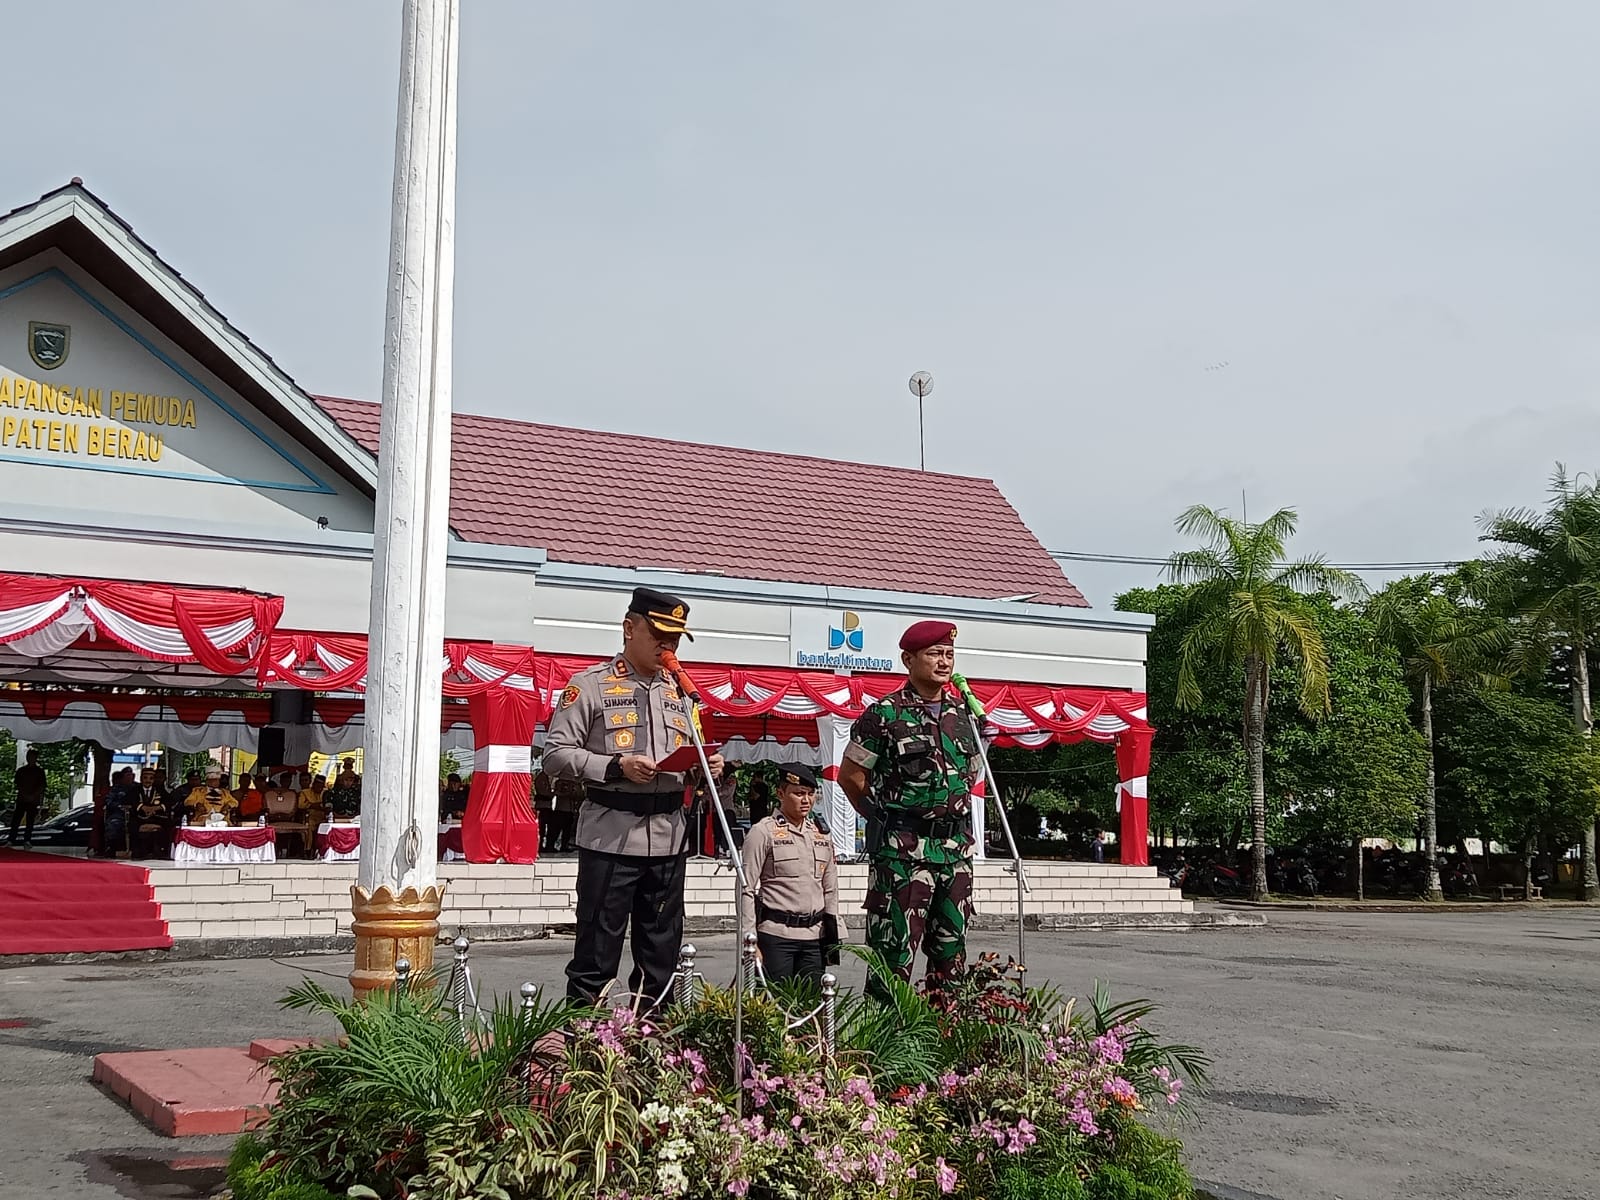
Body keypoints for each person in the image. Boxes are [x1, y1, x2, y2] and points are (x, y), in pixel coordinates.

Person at [543, 586, 727, 1009]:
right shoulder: (589, 686)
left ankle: (654, 1037)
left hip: (669, 838)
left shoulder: (680, 691)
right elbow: (554, 755)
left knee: (661, 951)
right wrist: (615, 766)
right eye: (660, 634)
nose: (669, 645)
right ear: (629, 628)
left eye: (677, 638)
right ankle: (587, 1040)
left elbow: (692, 749)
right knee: (597, 949)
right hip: (611, 835)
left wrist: (705, 767)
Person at [839, 620, 980, 995]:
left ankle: (942, 1044)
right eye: (934, 654)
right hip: (902, 855)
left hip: (954, 853)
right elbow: (851, 776)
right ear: (908, 658)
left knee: (951, 963)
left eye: (949, 654)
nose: (944, 661)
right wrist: (883, 817)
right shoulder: (883, 715)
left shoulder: (964, 715)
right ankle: (886, 1048)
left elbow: (972, 775)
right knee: (892, 960)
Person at [738, 764, 840, 986]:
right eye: (799, 793)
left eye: (811, 794)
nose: (806, 800)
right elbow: (746, 887)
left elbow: (830, 888)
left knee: (810, 1007)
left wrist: (832, 936)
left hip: (814, 938)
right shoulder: (763, 831)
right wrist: (749, 940)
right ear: (781, 793)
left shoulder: (821, 834)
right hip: (776, 937)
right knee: (774, 1008)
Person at [8, 748, 47, 846]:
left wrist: (34, 796)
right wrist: (25, 794)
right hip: (22, 799)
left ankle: (27, 840)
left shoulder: (39, 771)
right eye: (29, 756)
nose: (30, 758)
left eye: (32, 757)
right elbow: (18, 785)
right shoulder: (21, 771)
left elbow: (42, 786)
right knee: (16, 820)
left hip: (33, 800)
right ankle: (11, 840)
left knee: (30, 821)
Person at [130, 769, 171, 858]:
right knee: (132, 825)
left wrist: (156, 808)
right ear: (141, 779)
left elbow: (168, 802)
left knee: (168, 825)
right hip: (139, 817)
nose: (148, 781)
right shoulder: (135, 790)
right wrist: (143, 807)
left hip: (156, 817)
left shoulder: (159, 790)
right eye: (145, 778)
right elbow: (131, 801)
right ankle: (137, 851)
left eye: (151, 778)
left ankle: (161, 851)